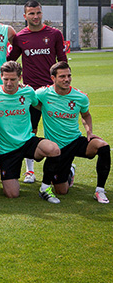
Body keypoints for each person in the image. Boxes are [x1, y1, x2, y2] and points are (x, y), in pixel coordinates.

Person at [7, 0, 67, 184]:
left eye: (38, 13)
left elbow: (62, 61)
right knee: (29, 130)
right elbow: (10, 61)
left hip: (52, 92)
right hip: (31, 93)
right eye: (31, 13)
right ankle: (30, 171)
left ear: (42, 13)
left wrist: (64, 85)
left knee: (57, 130)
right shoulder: (20, 37)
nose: (35, 16)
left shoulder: (54, 34)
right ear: (25, 16)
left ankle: (64, 165)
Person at [36, 61, 110, 203]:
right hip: (57, 148)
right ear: (53, 78)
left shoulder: (80, 97)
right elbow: (30, 99)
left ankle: (100, 190)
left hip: (75, 141)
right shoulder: (43, 93)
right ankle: (70, 172)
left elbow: (86, 115)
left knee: (103, 147)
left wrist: (89, 132)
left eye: (69, 76)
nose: (67, 79)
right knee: (62, 191)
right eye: (62, 76)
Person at [0, 61, 60, 201]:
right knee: (12, 194)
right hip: (6, 149)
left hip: (27, 141)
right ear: (1, 76)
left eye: (13, 79)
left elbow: (38, 104)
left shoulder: (27, 91)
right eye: (6, 79)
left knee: (53, 149)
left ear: (19, 78)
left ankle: (45, 188)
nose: (9, 83)